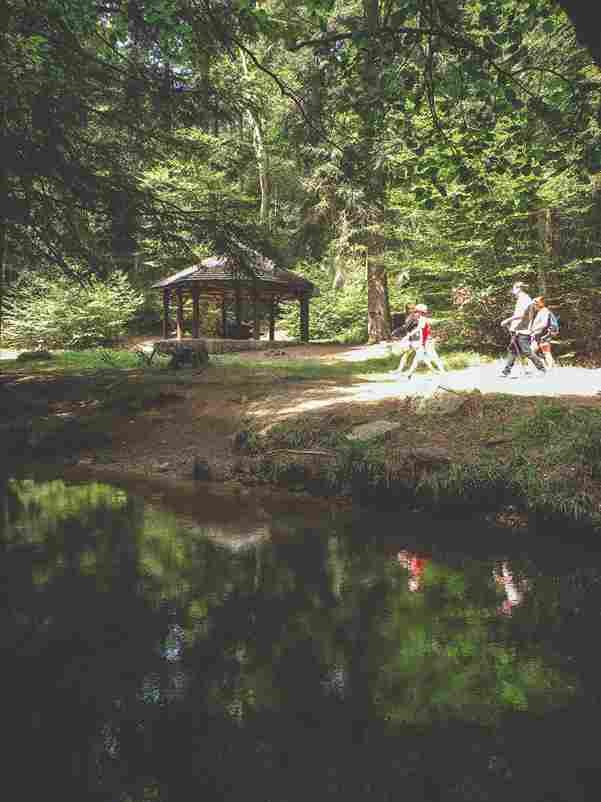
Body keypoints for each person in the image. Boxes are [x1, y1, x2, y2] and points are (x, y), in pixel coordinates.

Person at [499, 281, 546, 378]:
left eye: (514, 288)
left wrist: (507, 320)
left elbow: (522, 315)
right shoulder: (522, 298)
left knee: (526, 351)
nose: (513, 291)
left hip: (523, 330)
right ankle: (506, 371)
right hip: (517, 329)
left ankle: (542, 369)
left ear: (518, 288)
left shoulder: (524, 299)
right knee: (512, 350)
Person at [400, 303, 444, 379]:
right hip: (423, 341)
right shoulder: (420, 319)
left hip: (427, 341)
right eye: (415, 311)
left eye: (417, 311)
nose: (415, 313)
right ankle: (409, 373)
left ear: (420, 312)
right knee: (418, 358)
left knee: (433, 356)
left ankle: (442, 372)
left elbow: (419, 329)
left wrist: (408, 336)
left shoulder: (423, 319)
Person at [389, 304, 419, 374]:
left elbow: (406, 326)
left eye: (412, 308)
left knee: (420, 355)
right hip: (412, 338)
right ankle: (400, 370)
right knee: (406, 354)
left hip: (416, 338)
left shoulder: (413, 316)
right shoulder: (410, 316)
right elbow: (406, 326)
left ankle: (439, 370)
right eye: (409, 308)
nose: (411, 310)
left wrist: (396, 331)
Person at [530, 296, 556, 370]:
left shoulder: (544, 311)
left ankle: (550, 368)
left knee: (546, 352)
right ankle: (541, 367)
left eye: (535, 303)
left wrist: (533, 329)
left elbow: (544, 324)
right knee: (531, 351)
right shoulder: (540, 311)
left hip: (544, 335)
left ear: (541, 303)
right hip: (538, 335)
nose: (534, 305)